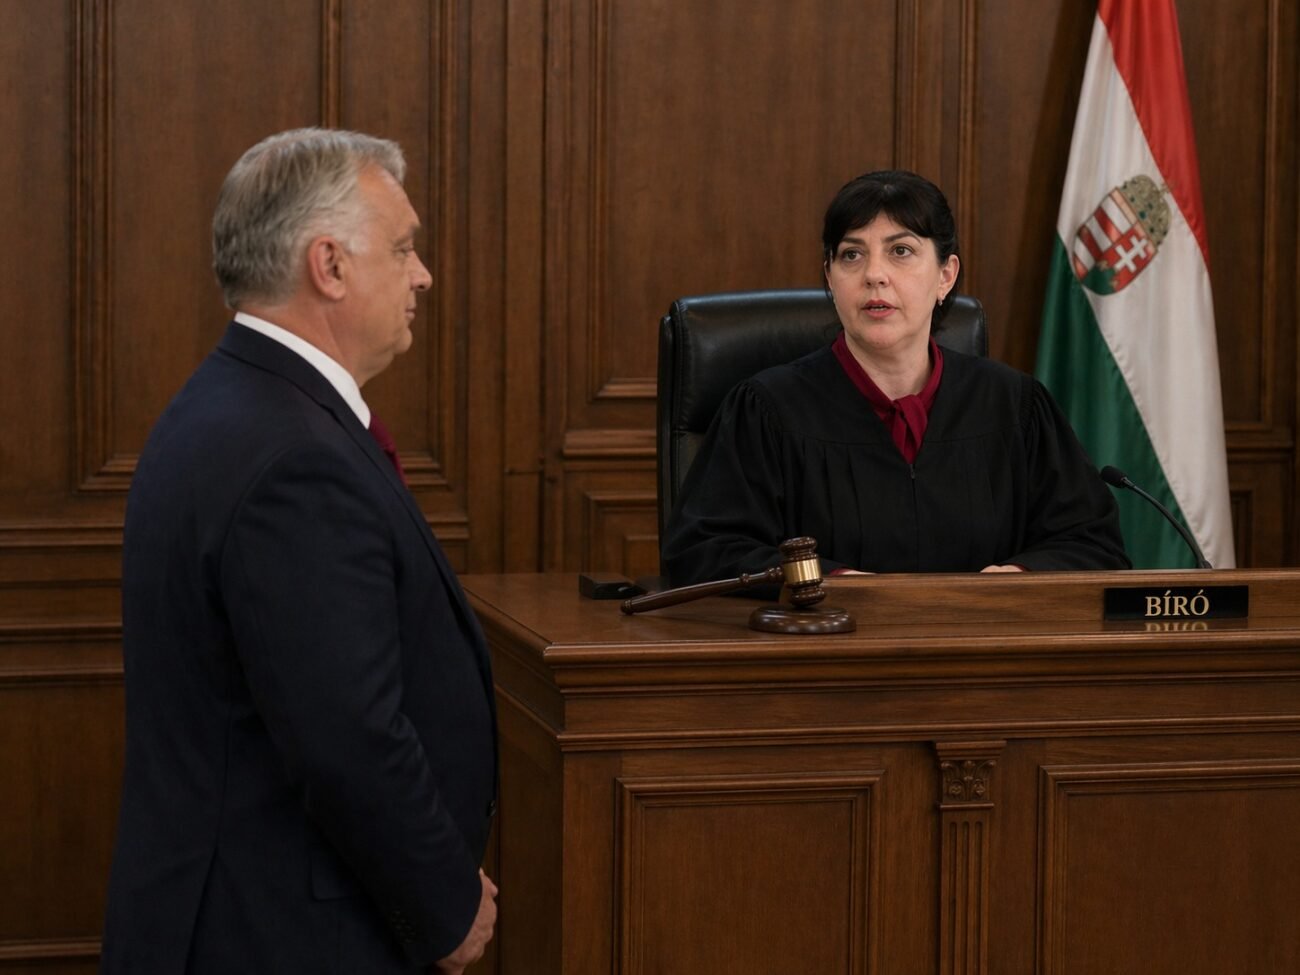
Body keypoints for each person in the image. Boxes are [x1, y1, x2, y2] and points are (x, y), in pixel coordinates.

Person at [102, 129, 498, 973]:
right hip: (284, 932)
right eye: (404, 248)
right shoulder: (294, 457)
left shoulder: (230, 401)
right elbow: (348, 737)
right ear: (330, 265)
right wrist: (445, 905)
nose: (423, 274)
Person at [661, 170, 1129, 584]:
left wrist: (1018, 577)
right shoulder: (766, 411)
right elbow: (704, 551)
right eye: (851, 255)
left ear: (946, 275)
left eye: (900, 251)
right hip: (825, 649)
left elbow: (1092, 544)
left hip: (980, 648)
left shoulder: (1014, 406)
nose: (874, 275)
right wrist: (832, 581)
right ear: (830, 278)